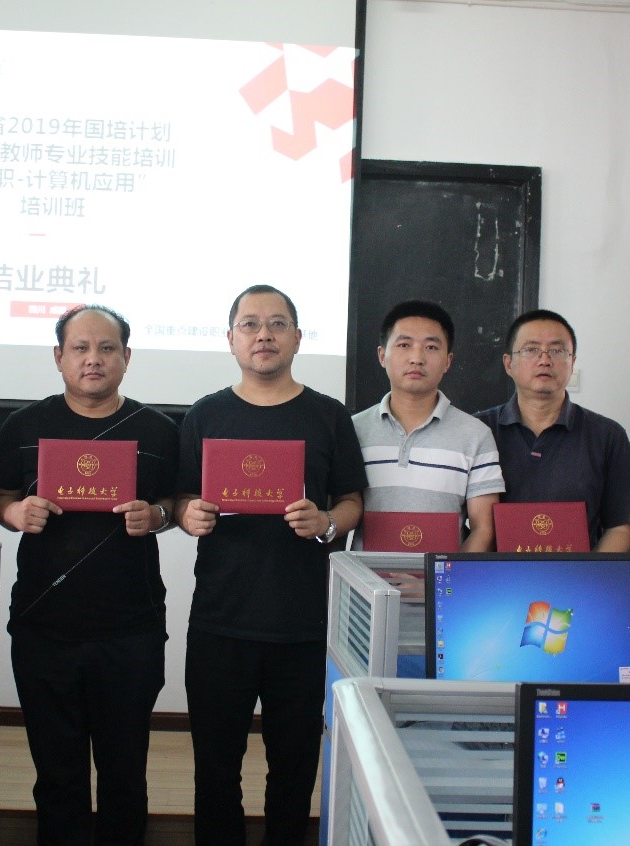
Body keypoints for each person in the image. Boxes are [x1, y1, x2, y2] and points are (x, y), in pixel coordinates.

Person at [175, 284, 366, 846]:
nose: (264, 335)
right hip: (220, 621)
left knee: (294, 767)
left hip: (304, 624)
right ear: (231, 338)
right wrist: (188, 514)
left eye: (278, 324)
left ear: (298, 338)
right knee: (215, 769)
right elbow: (180, 497)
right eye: (251, 324)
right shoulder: (205, 413)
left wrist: (326, 522)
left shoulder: (328, 415)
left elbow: (352, 501)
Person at [0, 305, 178, 846]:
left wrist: (156, 515)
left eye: (106, 348)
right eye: (80, 348)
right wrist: (13, 512)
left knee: (125, 772)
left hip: (131, 629)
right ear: (59, 357)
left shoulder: (158, 429)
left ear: (126, 357)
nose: (93, 359)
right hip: (43, 626)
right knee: (57, 774)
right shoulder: (24, 425)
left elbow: (176, 503)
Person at [476, 309, 630, 551]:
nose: (544, 360)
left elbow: (621, 526)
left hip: (579, 573)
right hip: (493, 574)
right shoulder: (478, 431)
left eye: (557, 351)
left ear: (572, 362)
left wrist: (588, 571)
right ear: (508, 364)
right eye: (531, 350)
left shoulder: (607, 435)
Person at [352, 299, 504, 551]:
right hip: (363, 577)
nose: (417, 358)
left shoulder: (476, 435)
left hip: (443, 577)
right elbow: (340, 512)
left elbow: (483, 529)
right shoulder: (353, 430)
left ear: (448, 361)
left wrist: (445, 574)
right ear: (382, 355)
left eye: (431, 347)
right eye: (404, 345)